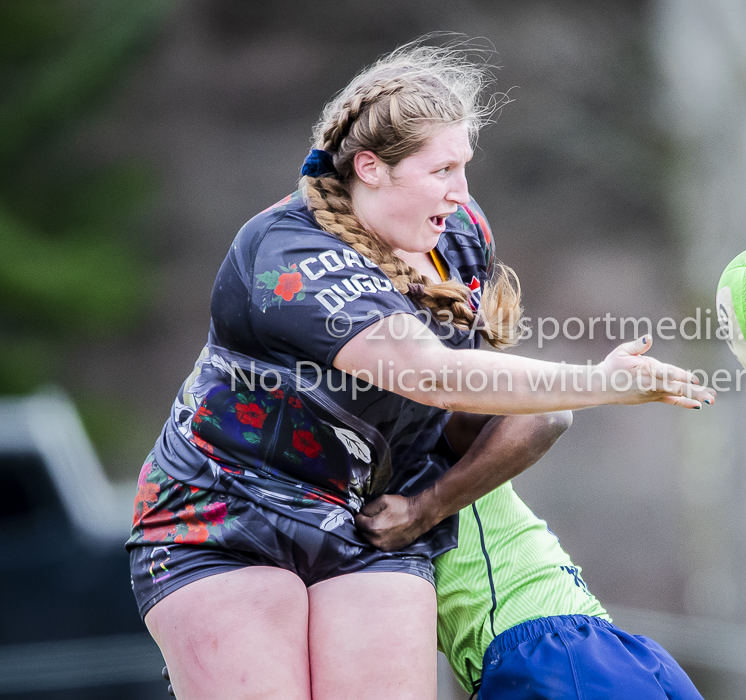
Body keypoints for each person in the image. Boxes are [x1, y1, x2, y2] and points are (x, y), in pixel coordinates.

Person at [128, 40, 715, 700]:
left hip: (361, 524)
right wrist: (603, 381)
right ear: (371, 168)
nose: (460, 193)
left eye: (463, 167)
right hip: (225, 515)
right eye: (442, 170)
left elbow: (530, 412)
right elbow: (428, 372)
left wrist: (424, 507)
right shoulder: (285, 254)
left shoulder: (456, 235)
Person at [360, 410, 704, 699]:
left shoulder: (419, 431)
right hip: (577, 654)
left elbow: (547, 413)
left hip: (548, 652)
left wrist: (423, 509)